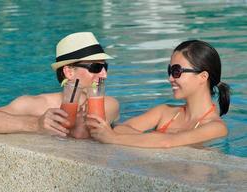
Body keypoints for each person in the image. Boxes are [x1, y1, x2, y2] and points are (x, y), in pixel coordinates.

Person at [0, 32, 120, 139]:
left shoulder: (109, 104)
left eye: (105, 67)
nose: (104, 75)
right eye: (95, 68)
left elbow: (82, 134)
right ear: (69, 71)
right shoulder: (38, 104)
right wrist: (36, 124)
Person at [87, 40, 230, 148]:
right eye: (170, 71)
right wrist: (153, 139)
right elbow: (121, 128)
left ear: (203, 77)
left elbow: (167, 143)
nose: (170, 78)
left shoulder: (216, 127)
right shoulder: (165, 112)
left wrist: (113, 138)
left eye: (176, 71)